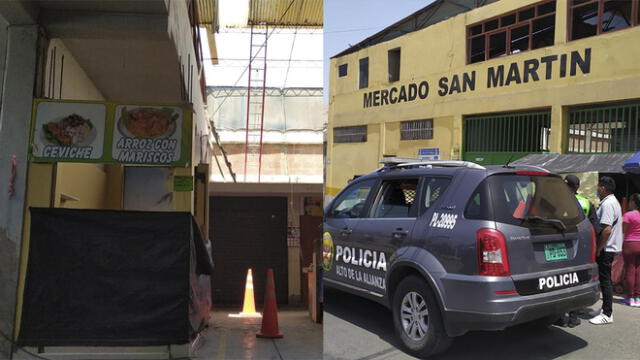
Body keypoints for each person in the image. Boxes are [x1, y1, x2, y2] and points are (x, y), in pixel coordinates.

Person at [589, 176, 623, 325]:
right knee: (605, 279)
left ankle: (607, 314)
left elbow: (607, 229)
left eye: (598, 187)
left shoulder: (608, 204)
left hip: (607, 248)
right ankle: (604, 309)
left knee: (605, 281)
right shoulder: (612, 201)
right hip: (609, 247)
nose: (597, 189)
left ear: (602, 188)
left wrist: (599, 248)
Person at [622, 193, 640, 307]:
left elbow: (624, 230)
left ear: (633, 202)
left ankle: (630, 298)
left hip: (630, 243)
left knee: (630, 270)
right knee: (639, 271)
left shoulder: (628, 215)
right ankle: (638, 298)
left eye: (630, 201)